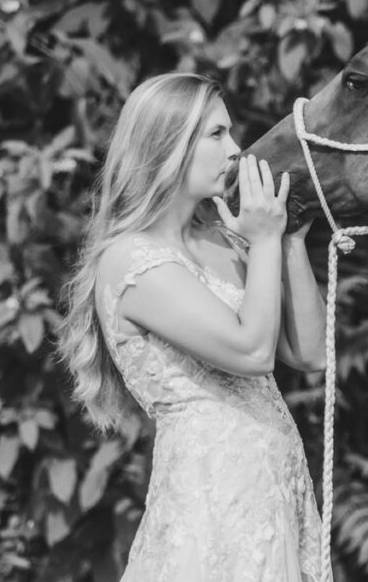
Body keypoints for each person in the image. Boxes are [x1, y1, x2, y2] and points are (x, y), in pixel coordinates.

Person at [54, 72, 332, 581]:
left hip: (274, 485)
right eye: (216, 134)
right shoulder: (132, 261)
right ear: (168, 146)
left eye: (231, 132)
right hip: (211, 493)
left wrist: (288, 241)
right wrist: (265, 243)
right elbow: (252, 352)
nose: (237, 149)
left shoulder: (225, 238)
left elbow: (310, 353)